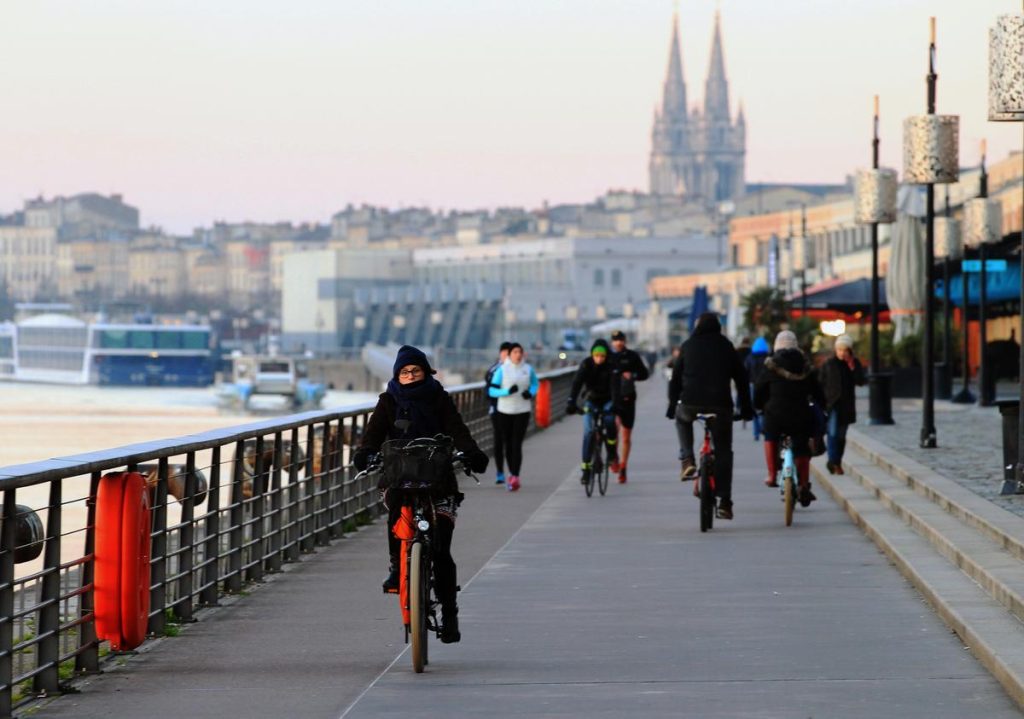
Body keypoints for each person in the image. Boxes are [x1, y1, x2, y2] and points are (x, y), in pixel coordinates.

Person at [353, 345, 489, 644]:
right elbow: (374, 433)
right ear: (397, 376)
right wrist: (365, 453)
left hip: (438, 480)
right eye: (405, 372)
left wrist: (471, 452)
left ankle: (449, 612)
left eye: (416, 370)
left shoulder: (439, 398)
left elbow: (457, 429)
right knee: (396, 515)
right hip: (401, 478)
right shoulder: (388, 401)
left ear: (427, 372)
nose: (411, 376)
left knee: (441, 549)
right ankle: (395, 566)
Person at [667, 312, 752, 520]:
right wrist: (747, 409)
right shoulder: (726, 346)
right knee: (724, 451)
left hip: (690, 402)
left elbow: (675, 379)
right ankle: (725, 502)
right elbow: (742, 380)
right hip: (720, 406)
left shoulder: (687, 346)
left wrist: (672, 405)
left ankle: (687, 459)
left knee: (682, 418)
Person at [754, 330, 825, 507]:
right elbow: (817, 392)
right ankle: (803, 485)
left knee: (770, 436)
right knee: (801, 447)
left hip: (775, 414)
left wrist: (759, 405)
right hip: (800, 413)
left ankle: (771, 475)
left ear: (777, 346)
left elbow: (759, 390)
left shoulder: (770, 364)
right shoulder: (805, 365)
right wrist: (821, 405)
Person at [566, 339, 619, 485]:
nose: (599, 359)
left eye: (602, 356)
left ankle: (612, 451)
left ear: (606, 356)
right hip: (591, 399)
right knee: (589, 431)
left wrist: (615, 404)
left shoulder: (611, 366)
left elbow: (615, 387)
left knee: (609, 421)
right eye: (596, 356)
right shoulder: (586, 364)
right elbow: (577, 383)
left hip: (608, 399)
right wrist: (571, 401)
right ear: (592, 355)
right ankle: (586, 469)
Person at [487, 343, 539, 492]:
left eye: (520, 352)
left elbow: (535, 384)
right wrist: (506, 391)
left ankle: (515, 475)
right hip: (505, 411)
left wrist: (530, 393)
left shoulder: (528, 369)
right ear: (509, 355)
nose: (518, 354)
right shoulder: (502, 370)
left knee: (517, 443)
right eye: (515, 352)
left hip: (523, 410)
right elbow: (492, 390)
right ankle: (510, 473)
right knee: (508, 444)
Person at [818, 334, 866, 475]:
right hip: (831, 405)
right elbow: (820, 383)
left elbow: (860, 381)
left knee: (841, 436)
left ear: (850, 351)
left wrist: (852, 367)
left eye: (845, 350)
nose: (842, 353)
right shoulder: (829, 364)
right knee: (832, 433)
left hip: (846, 406)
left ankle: (835, 461)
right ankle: (834, 462)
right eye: (839, 350)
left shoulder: (853, 363)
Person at [608, 330, 650, 483]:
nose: (618, 342)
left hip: (628, 399)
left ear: (625, 341)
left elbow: (645, 374)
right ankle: (614, 458)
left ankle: (623, 466)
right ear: (612, 342)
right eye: (615, 340)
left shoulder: (632, 356)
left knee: (626, 435)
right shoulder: (608, 357)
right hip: (612, 399)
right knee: (613, 429)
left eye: (620, 340)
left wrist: (633, 375)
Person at [485, 342, 513, 484]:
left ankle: (513, 472)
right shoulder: (495, 369)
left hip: (513, 409)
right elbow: (488, 391)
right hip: (497, 410)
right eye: (506, 353)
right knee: (499, 440)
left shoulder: (516, 369)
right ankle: (500, 472)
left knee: (511, 441)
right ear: (501, 354)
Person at [744, 337, 771, 440]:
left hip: (753, 385)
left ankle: (756, 433)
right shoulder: (768, 358)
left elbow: (745, 372)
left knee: (755, 408)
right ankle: (763, 427)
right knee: (764, 408)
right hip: (766, 386)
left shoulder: (750, 357)